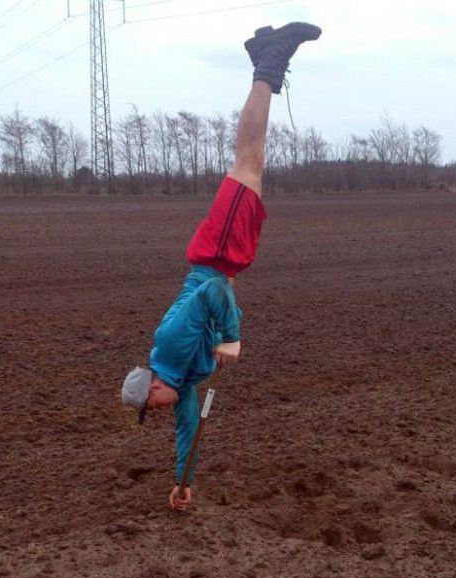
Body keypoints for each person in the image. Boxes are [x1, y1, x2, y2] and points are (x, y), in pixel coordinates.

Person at [122, 22, 321, 511]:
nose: (162, 414)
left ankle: (267, 63)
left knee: (248, 160)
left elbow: (211, 294)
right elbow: (188, 427)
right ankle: (265, 59)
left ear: (153, 389)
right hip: (224, 257)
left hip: (215, 257)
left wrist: (230, 336)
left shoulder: (169, 346)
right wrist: (182, 481)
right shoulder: (183, 378)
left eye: (153, 409)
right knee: (252, 162)